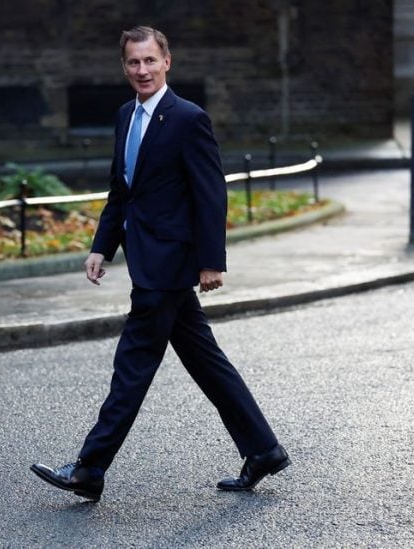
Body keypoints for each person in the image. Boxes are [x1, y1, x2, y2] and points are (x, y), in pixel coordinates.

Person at [31, 26, 290, 502]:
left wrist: (212, 262)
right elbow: (121, 190)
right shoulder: (124, 116)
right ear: (124, 67)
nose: (142, 70)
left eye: (150, 61)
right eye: (133, 62)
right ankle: (264, 450)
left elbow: (211, 194)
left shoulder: (188, 118)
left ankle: (90, 468)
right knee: (208, 363)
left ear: (167, 61)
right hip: (146, 257)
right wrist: (100, 246)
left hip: (169, 266)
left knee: (131, 367)